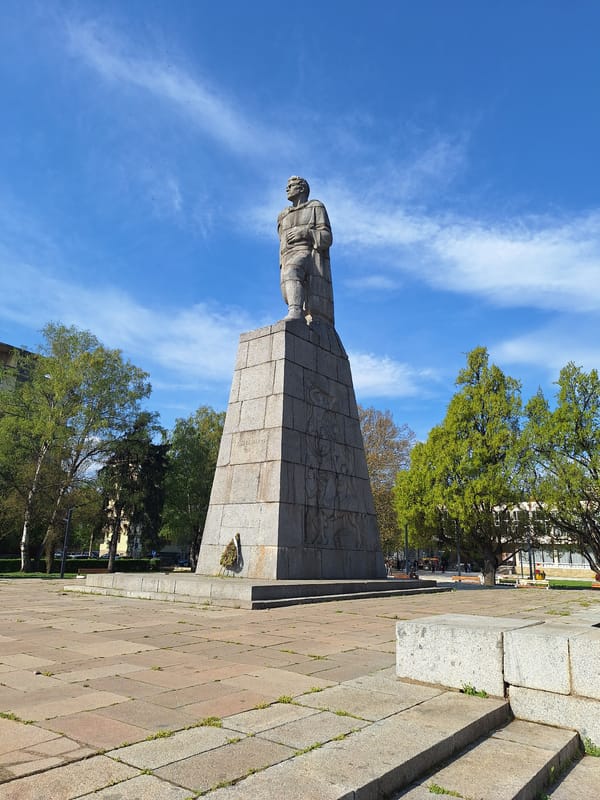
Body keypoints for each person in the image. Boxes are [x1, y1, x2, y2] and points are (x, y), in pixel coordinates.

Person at [277, 176, 334, 325]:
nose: (287, 188)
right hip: (287, 255)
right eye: (287, 185)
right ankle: (297, 309)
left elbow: (327, 237)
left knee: (292, 270)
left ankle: (295, 311)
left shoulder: (316, 207)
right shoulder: (283, 216)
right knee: (288, 278)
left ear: (302, 188)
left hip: (307, 254)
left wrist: (306, 232)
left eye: (292, 185)